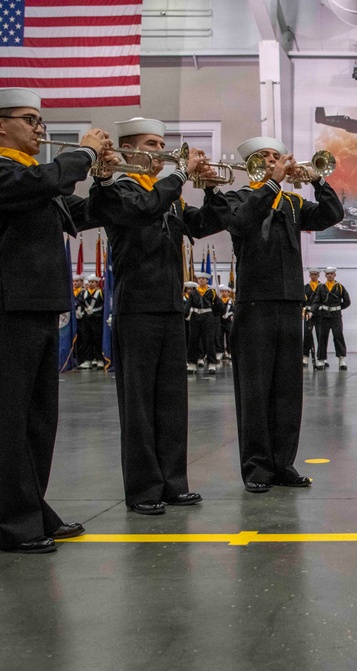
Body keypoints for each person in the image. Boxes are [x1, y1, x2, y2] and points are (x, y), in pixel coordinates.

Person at [89, 116, 228, 515]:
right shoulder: (119, 190)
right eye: (152, 144)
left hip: (170, 308)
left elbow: (202, 226)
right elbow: (145, 209)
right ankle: (143, 488)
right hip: (137, 309)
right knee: (139, 405)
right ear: (129, 149)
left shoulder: (166, 194)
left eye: (161, 143)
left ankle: (172, 481)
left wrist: (213, 191)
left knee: (171, 401)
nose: (161, 151)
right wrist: (181, 173)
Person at [0, 87, 112, 552]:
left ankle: (31, 507)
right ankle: (13, 521)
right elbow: (40, 184)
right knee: (10, 419)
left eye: (40, 120)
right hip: (10, 308)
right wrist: (84, 151)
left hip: (41, 305)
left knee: (39, 420)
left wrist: (103, 179)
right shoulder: (11, 173)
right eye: (30, 119)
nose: (40, 129)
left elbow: (81, 215)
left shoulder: (34, 175)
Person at [224, 137, 344, 492]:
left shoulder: (292, 203)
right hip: (254, 304)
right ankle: (257, 467)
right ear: (252, 164)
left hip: (291, 303)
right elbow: (244, 221)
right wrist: (273, 181)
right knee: (255, 390)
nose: (278, 161)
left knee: (288, 390)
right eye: (268, 158)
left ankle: (282, 463)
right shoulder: (239, 198)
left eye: (279, 157)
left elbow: (331, 214)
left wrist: (317, 181)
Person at [313, 267, 351, 371]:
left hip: (336, 316)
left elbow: (347, 301)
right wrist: (312, 311)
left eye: (331, 274)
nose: (329, 275)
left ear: (335, 275)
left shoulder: (340, 287)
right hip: (324, 316)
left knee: (338, 336)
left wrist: (338, 307)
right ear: (325, 276)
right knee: (322, 337)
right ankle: (321, 359)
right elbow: (317, 301)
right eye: (328, 274)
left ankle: (341, 359)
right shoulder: (321, 287)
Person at [187, 271, 222, 374]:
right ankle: (192, 362)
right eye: (199, 278)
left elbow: (218, 304)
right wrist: (184, 313)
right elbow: (188, 304)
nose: (201, 280)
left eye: (203, 278)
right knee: (193, 340)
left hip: (207, 317)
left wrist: (215, 314)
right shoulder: (193, 293)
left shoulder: (212, 292)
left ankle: (212, 363)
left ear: (207, 280)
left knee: (209, 340)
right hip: (195, 317)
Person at [77, 273, 105, 369]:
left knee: (97, 339)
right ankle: (88, 360)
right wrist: (79, 311)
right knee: (87, 339)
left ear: (97, 283)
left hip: (97, 319)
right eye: (89, 282)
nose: (90, 284)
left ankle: (99, 359)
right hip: (86, 319)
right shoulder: (84, 293)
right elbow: (79, 302)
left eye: (92, 282)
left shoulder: (101, 292)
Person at [303, 268, 321, 366]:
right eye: (312, 275)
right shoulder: (305, 287)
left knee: (321, 336)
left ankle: (321, 357)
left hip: (319, 314)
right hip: (308, 314)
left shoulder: (322, 287)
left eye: (315, 274)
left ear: (318, 275)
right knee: (307, 335)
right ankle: (305, 356)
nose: (313, 276)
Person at [218, 284, 234, 361]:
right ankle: (221, 352)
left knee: (228, 337)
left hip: (228, 321)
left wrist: (229, 314)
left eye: (225, 291)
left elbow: (233, 310)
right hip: (220, 321)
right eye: (222, 291)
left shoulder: (231, 301)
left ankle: (230, 352)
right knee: (220, 337)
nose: (224, 293)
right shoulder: (219, 300)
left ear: (228, 292)